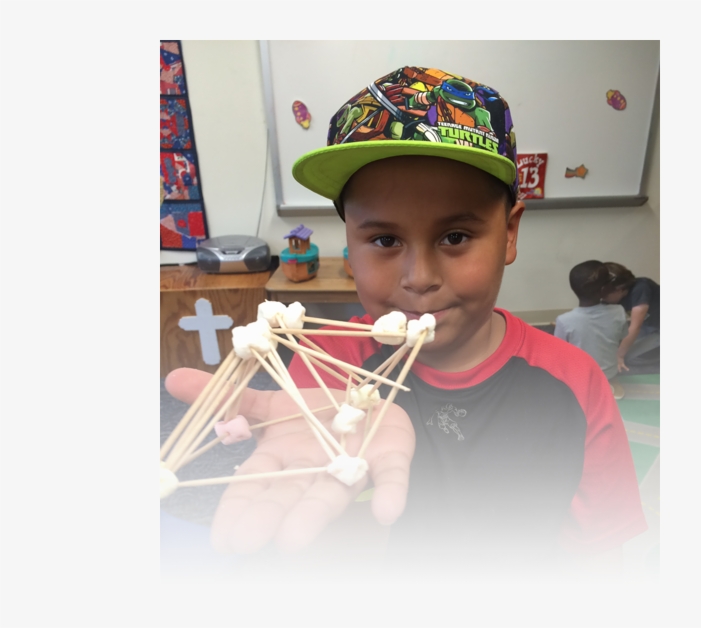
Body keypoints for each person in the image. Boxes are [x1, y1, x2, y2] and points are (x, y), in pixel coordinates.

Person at [165, 66, 647, 580]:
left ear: (508, 233)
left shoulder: (573, 383)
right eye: (386, 241)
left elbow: (599, 561)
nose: (420, 278)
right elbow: (312, 548)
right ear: (349, 244)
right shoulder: (323, 369)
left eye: (456, 237)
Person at [554, 260, 629, 398]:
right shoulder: (619, 311)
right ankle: (606, 387)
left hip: (581, 375)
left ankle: (585, 391)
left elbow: (559, 353)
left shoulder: (564, 321)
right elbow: (621, 336)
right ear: (604, 290)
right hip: (609, 372)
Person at [601, 262, 660, 372]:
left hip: (657, 329)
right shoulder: (614, 294)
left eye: (604, 296)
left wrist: (619, 356)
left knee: (627, 357)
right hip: (647, 326)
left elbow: (635, 327)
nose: (602, 299)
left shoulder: (641, 288)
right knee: (613, 350)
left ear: (619, 290)